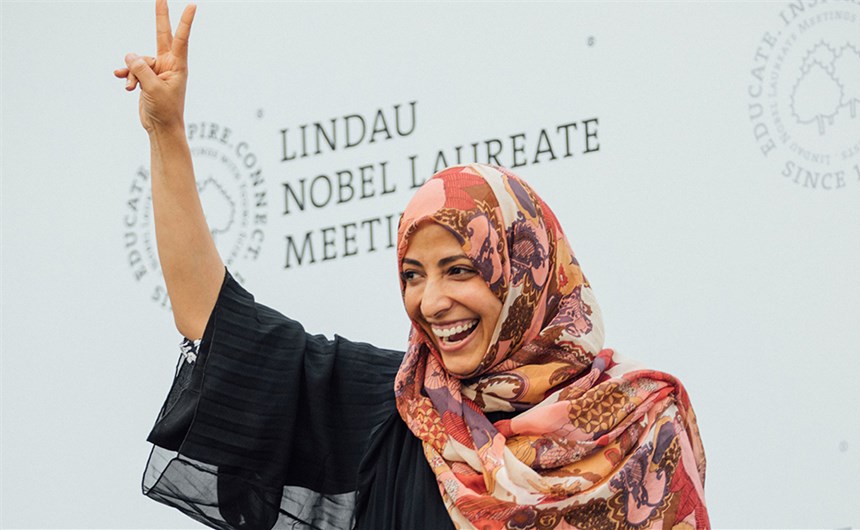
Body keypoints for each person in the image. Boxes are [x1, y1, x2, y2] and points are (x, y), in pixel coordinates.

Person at [116, 2, 708, 529]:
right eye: (412, 276)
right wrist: (166, 132)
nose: (430, 302)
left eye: (459, 269)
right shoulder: (401, 412)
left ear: (526, 276)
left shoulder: (642, 425)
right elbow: (211, 319)